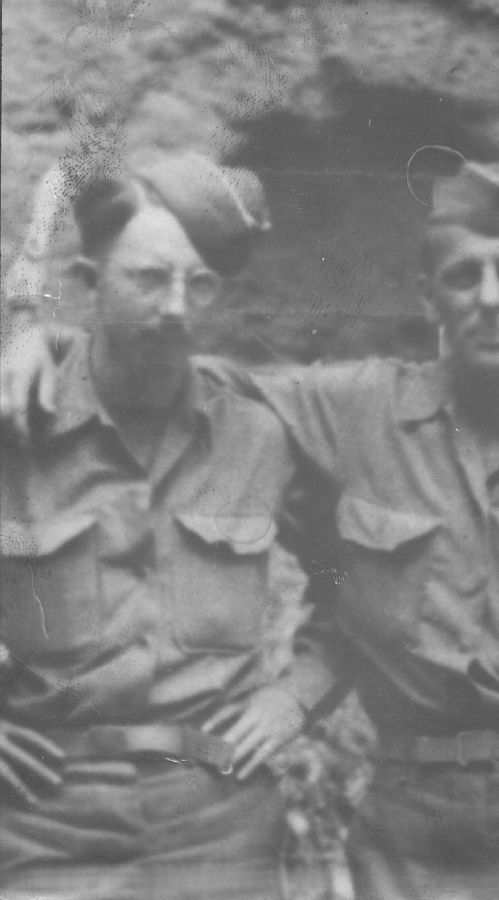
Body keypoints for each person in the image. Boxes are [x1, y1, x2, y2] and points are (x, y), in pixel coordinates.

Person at [4, 153, 499, 899]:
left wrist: (294, 697)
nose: (489, 298)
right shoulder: (353, 410)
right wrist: (42, 342)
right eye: (462, 276)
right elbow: (157, 363)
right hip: (409, 832)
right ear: (428, 297)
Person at [0, 151, 311, 900]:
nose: (175, 307)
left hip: (221, 815)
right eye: (147, 278)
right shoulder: (16, 424)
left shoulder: (259, 433)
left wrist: (296, 695)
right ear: (90, 283)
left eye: (197, 284)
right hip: (44, 818)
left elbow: (366, 574)